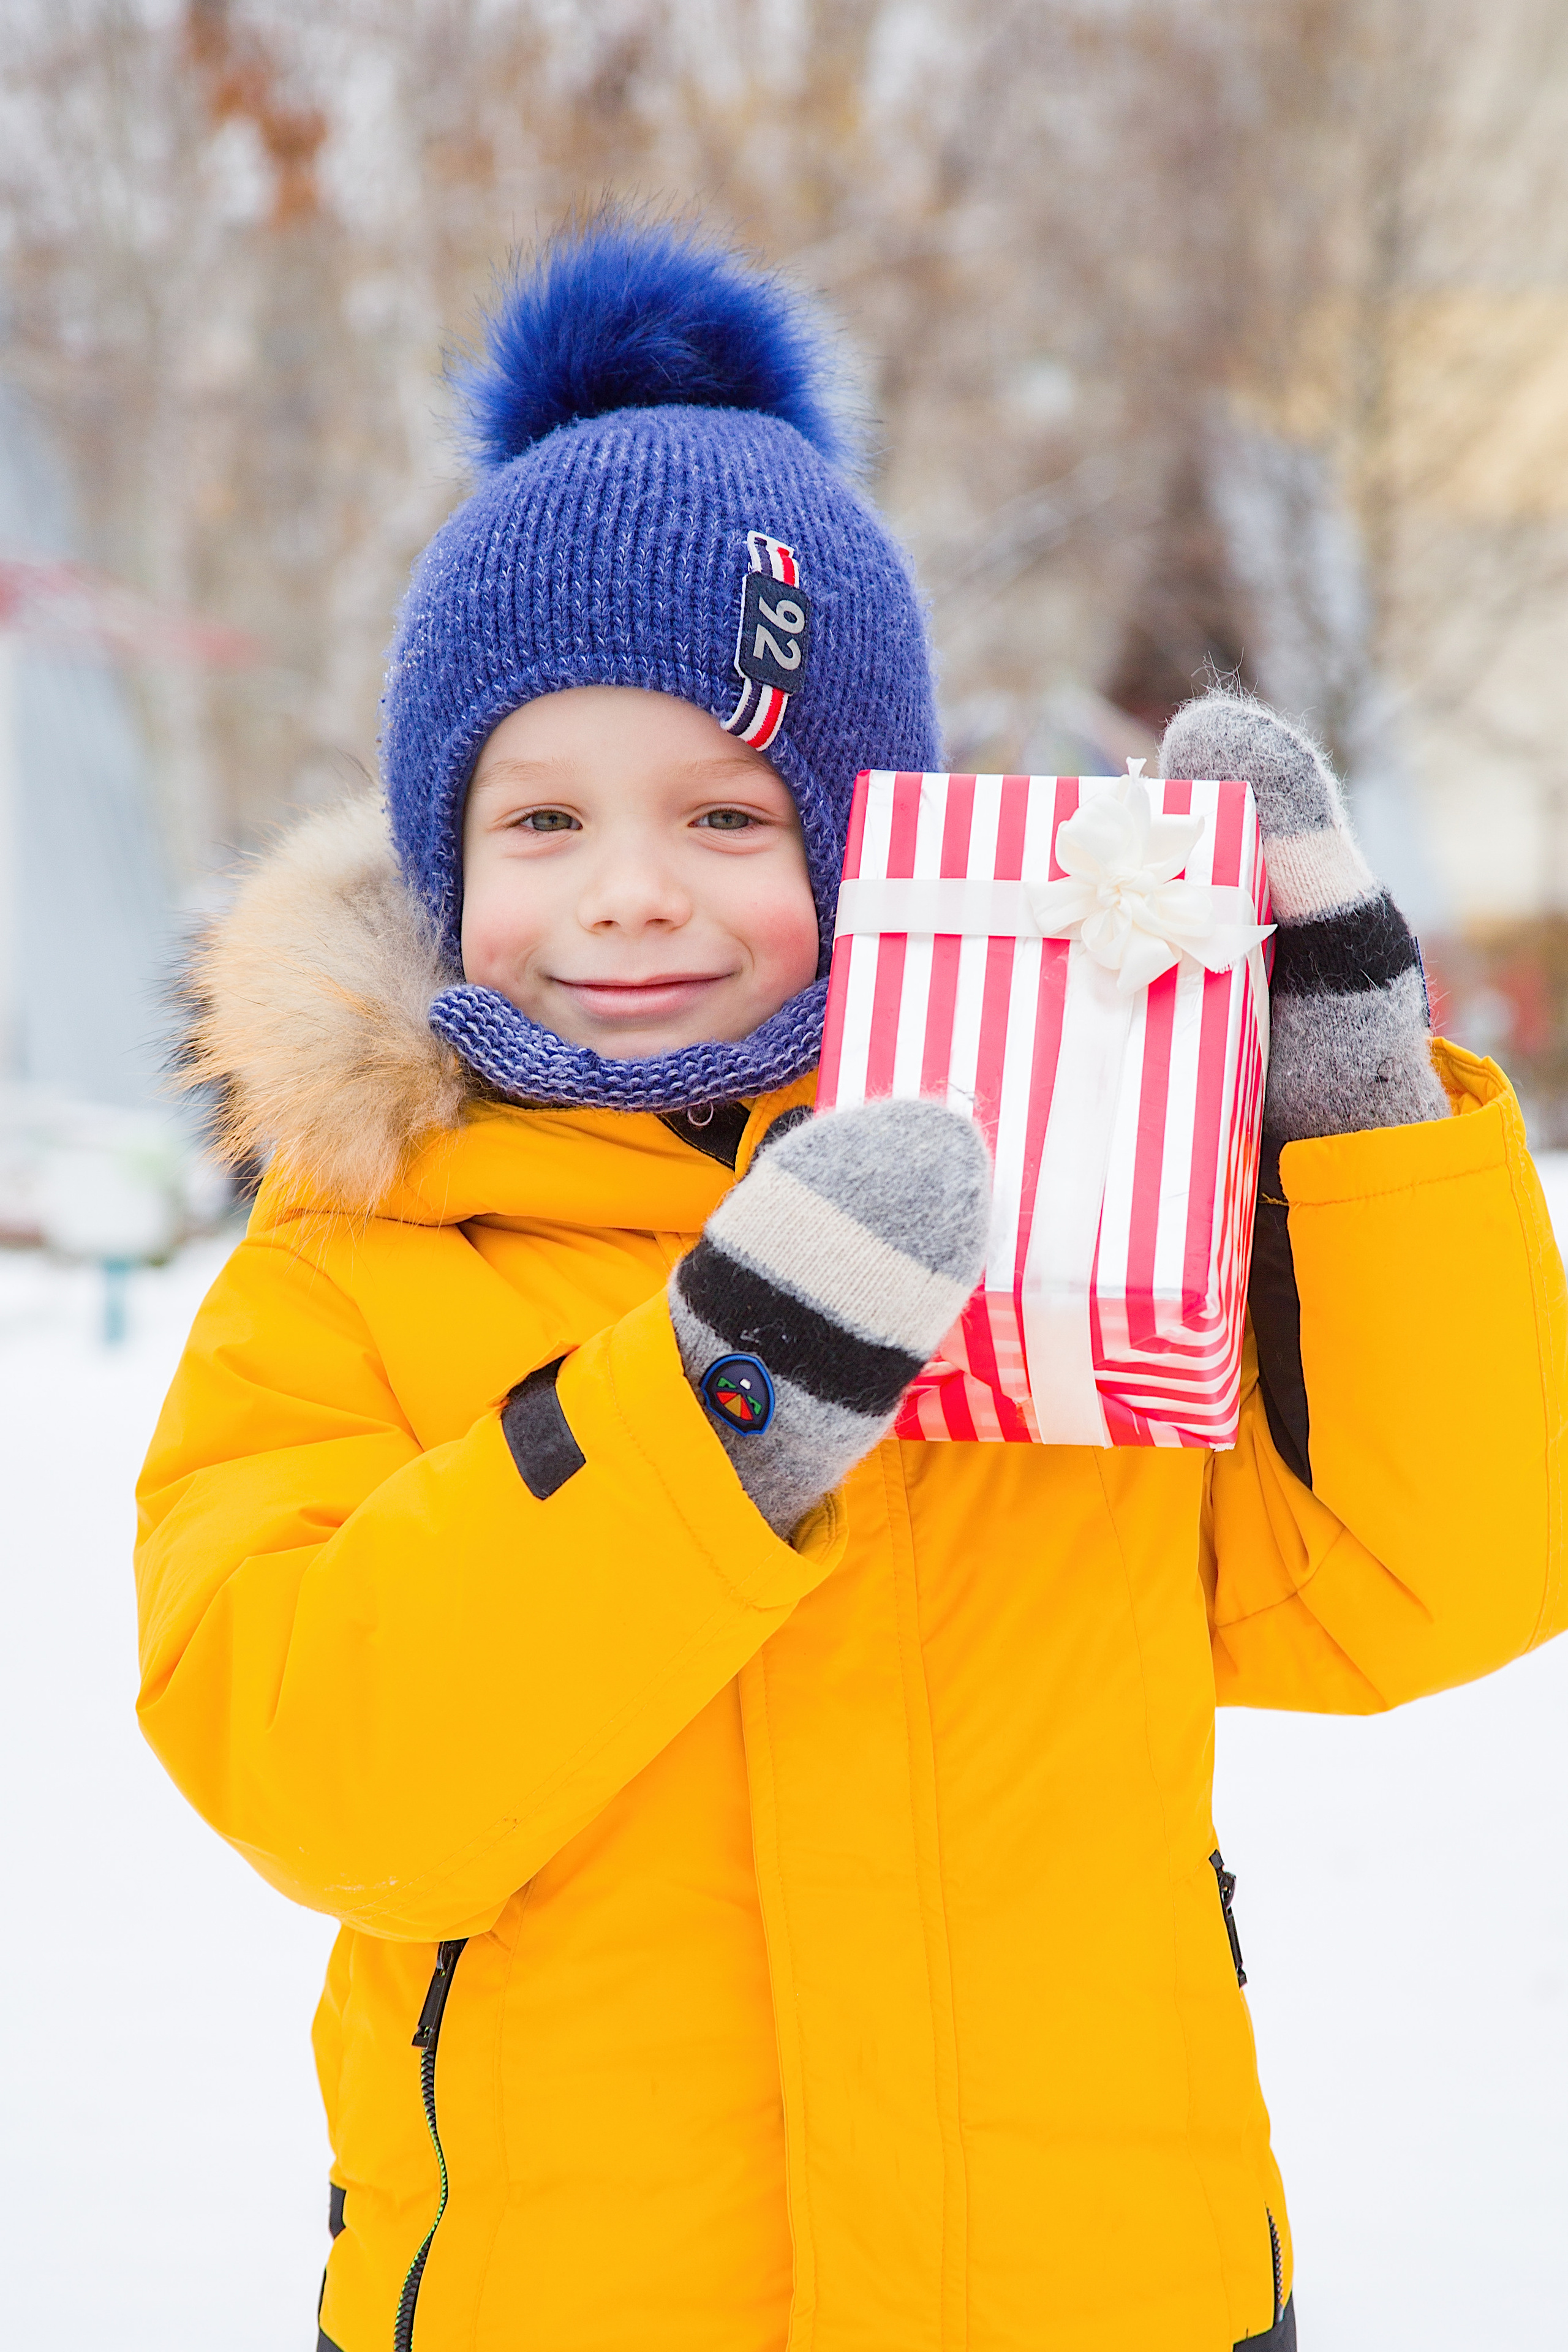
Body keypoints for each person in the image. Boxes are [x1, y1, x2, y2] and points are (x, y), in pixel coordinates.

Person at [135, 219, 1566, 2352]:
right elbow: (328, 1771)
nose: (629, 894)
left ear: (861, 834)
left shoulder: (1060, 1192)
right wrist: (722, 1400)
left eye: (727, 810)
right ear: (445, 858)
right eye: (541, 820)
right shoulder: (355, 1262)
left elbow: (1432, 1567)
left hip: (1102, 2295)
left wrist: (1348, 1123)